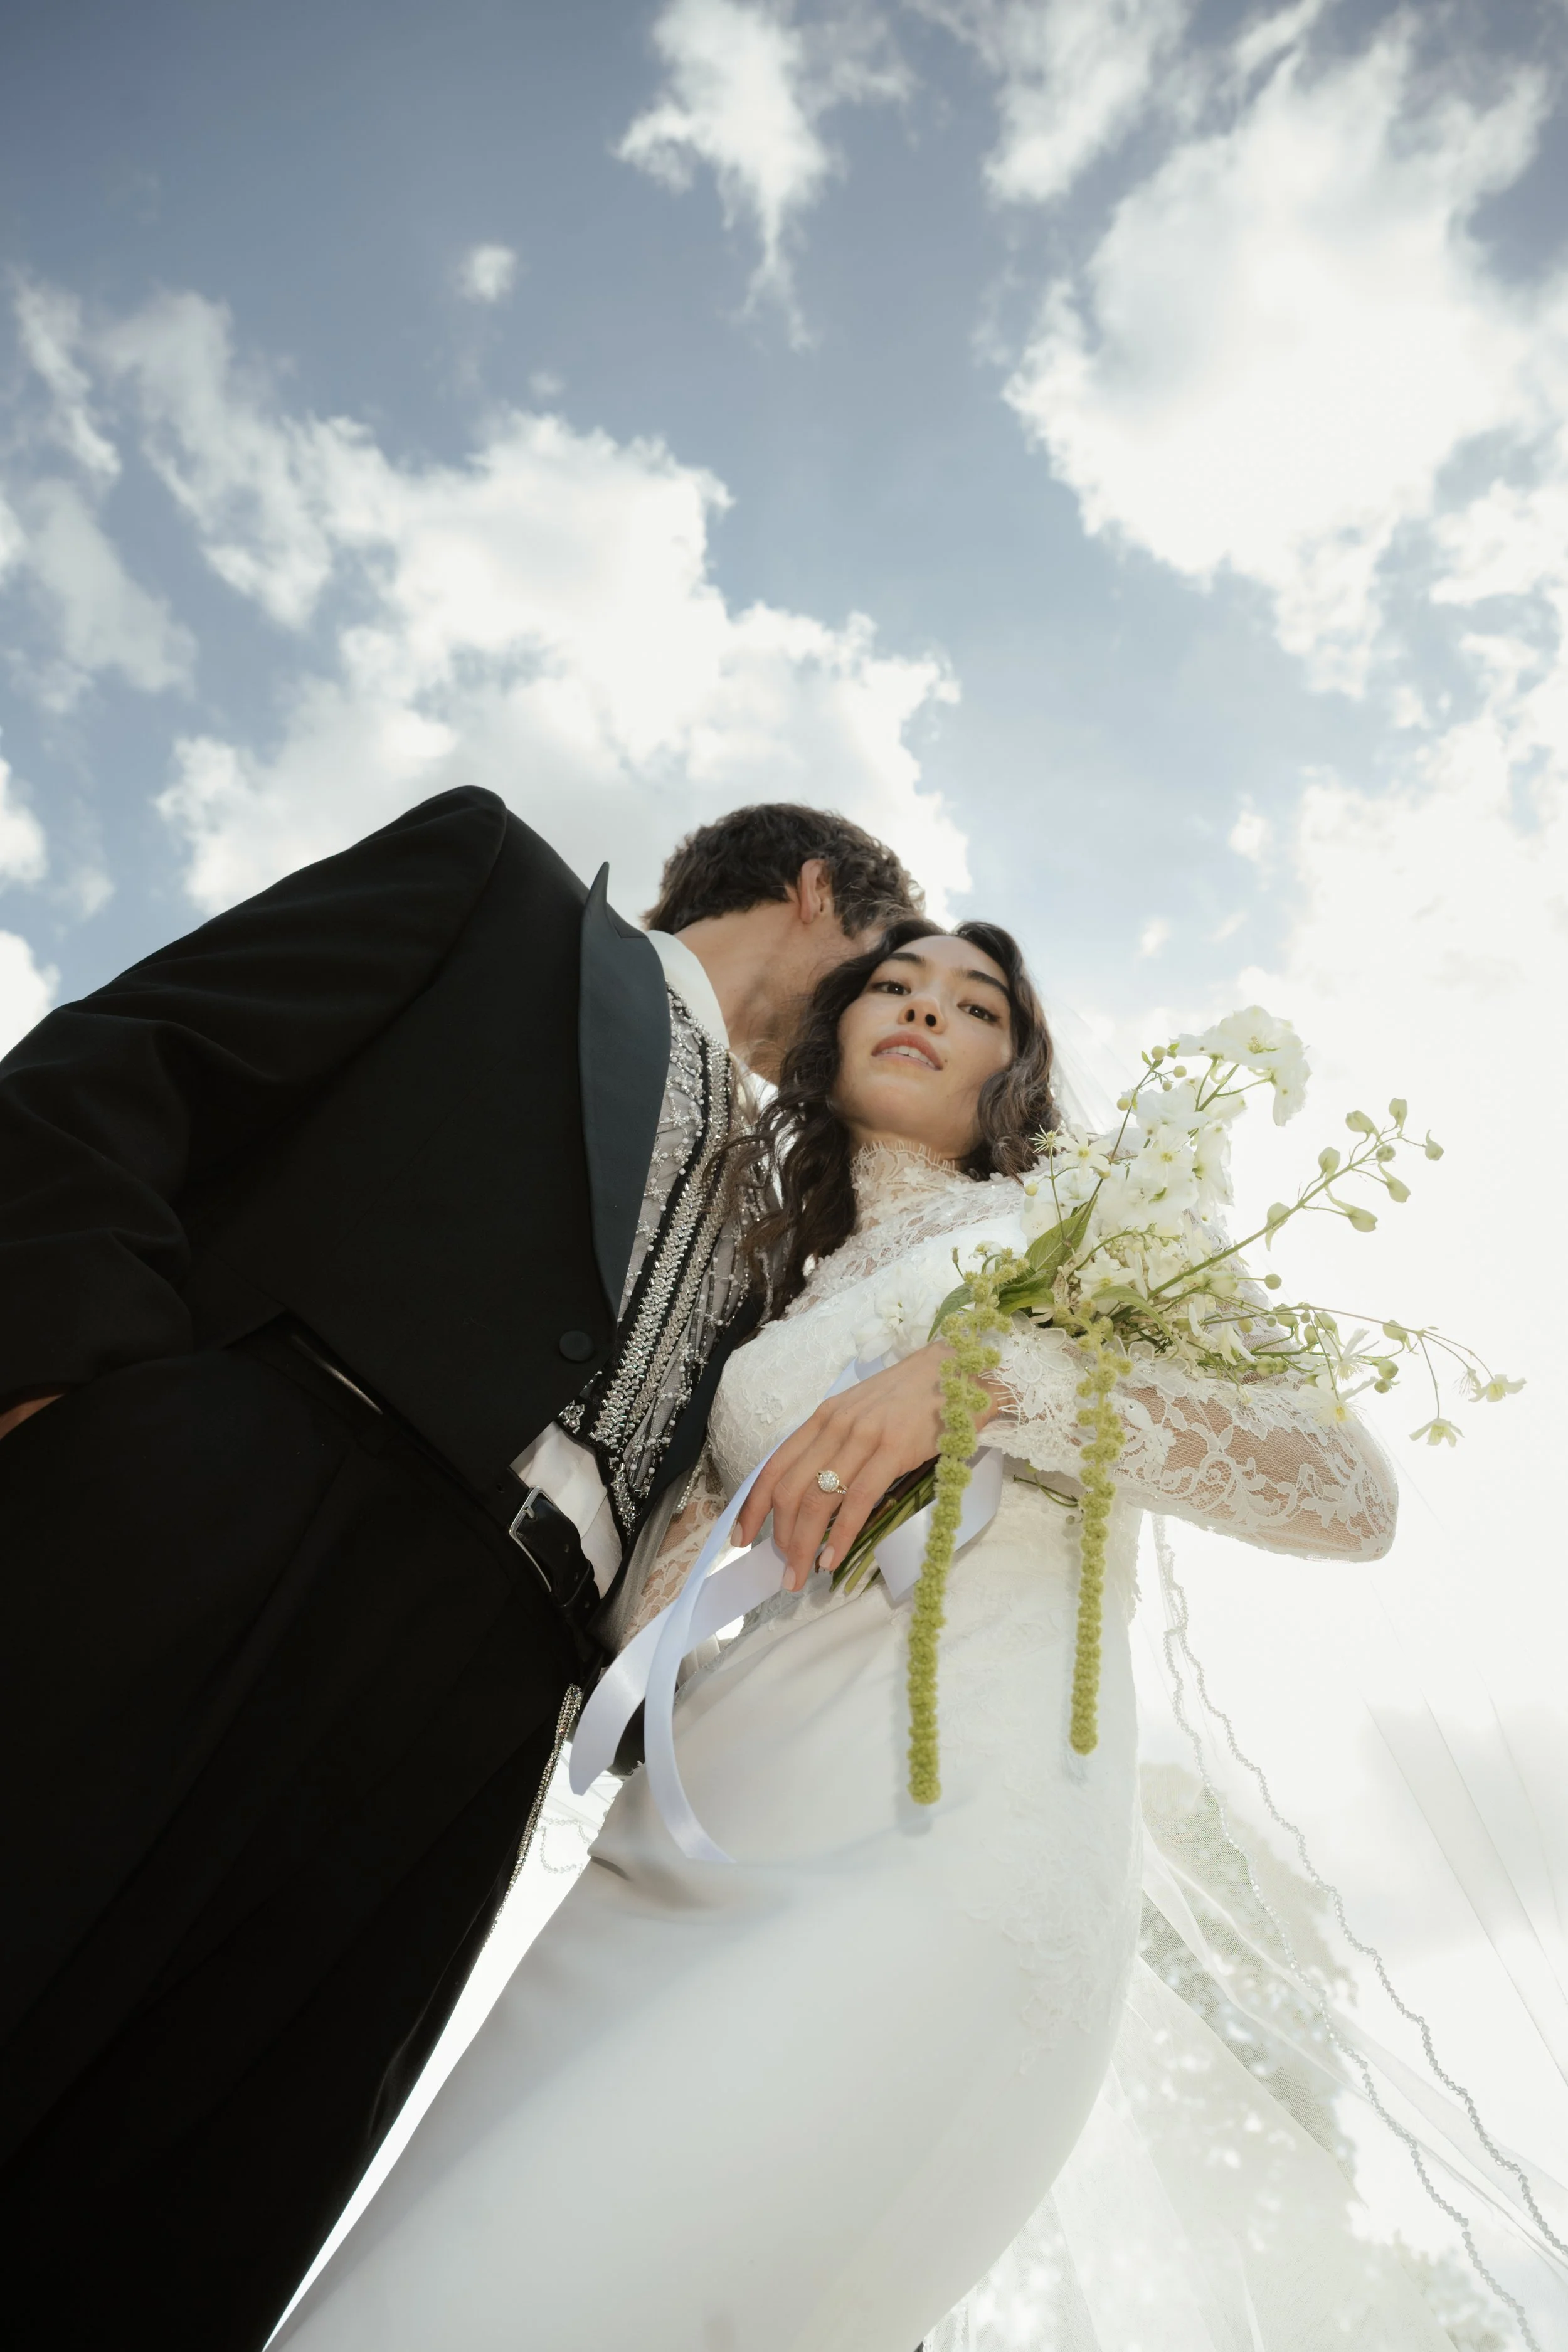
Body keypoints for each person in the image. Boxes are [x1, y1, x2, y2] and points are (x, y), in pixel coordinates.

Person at [275, 916, 1399, 2352]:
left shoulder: (1108, 1222)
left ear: (1019, 1061)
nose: (923, 1008)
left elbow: (1344, 1490)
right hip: (677, 1854)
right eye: (892, 983)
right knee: (433, 2274)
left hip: (936, 1833)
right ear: (834, 1030)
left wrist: (990, 1378)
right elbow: (654, 1617)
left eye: (974, 1002)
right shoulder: (763, 1316)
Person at [0, 787, 923, 2351]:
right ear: (823, 890)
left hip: (492, 1712)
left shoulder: (795, 1236)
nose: (901, 1008)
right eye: (894, 962)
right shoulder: (501, 892)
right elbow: (128, 1069)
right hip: (238, 1507)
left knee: (183, 2206)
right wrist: (91, 1422)